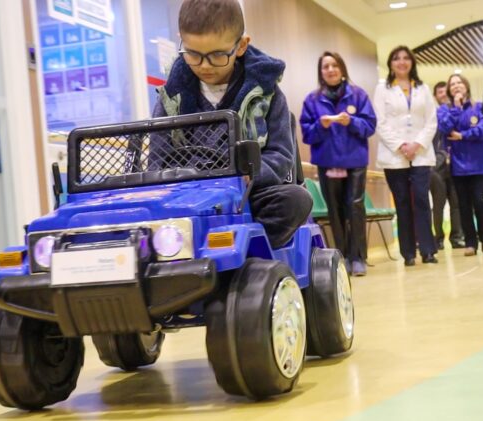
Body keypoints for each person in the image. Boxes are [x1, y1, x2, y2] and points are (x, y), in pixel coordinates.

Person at [153, 0, 312, 248]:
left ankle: (248, 250)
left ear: (241, 46)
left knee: (296, 200)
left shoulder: (268, 94)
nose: (204, 65)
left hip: (249, 195)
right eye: (193, 54)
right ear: (181, 41)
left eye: (217, 55)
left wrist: (251, 176)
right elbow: (157, 159)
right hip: (188, 201)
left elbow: (281, 156)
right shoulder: (170, 97)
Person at [300, 51, 377, 276]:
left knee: (355, 207)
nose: (331, 70)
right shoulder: (312, 100)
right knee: (335, 211)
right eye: (326, 66)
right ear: (321, 72)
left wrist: (351, 121)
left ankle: (358, 257)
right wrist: (320, 126)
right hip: (327, 163)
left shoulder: (358, 95)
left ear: (342, 69)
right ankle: (341, 257)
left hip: (355, 162)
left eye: (334, 65)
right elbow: (306, 134)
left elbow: (370, 126)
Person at [374, 46, 438, 267]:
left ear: (412, 62)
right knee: (402, 203)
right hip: (395, 154)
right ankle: (408, 253)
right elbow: (380, 122)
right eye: (396, 59)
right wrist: (401, 145)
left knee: (421, 199)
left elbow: (431, 121)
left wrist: (417, 144)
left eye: (405, 58)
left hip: (420, 153)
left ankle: (428, 250)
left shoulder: (423, 88)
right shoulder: (383, 88)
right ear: (390, 64)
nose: (401, 62)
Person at [437, 74, 483, 256]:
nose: (456, 86)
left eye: (459, 82)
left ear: (466, 86)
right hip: (457, 165)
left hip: (479, 163)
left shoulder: (479, 107)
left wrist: (463, 136)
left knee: (479, 200)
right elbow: (445, 127)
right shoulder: (444, 110)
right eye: (452, 84)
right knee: (463, 204)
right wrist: (457, 108)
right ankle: (470, 242)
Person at [430, 81, 466, 250]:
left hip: (456, 163)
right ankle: (437, 238)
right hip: (437, 164)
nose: (443, 94)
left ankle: (457, 237)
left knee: (457, 202)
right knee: (438, 204)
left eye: (445, 91)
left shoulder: (457, 111)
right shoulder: (434, 114)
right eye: (439, 92)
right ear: (435, 96)